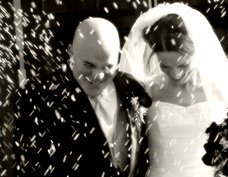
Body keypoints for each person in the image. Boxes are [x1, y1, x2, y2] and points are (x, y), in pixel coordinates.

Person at [119, 3, 228, 177]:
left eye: (183, 64)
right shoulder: (146, 91)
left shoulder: (219, 88)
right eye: (165, 65)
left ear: (197, 51)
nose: (175, 73)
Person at [13, 17, 151, 177]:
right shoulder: (37, 97)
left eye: (108, 66)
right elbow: (28, 169)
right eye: (88, 65)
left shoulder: (133, 88)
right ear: (71, 51)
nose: (98, 76)